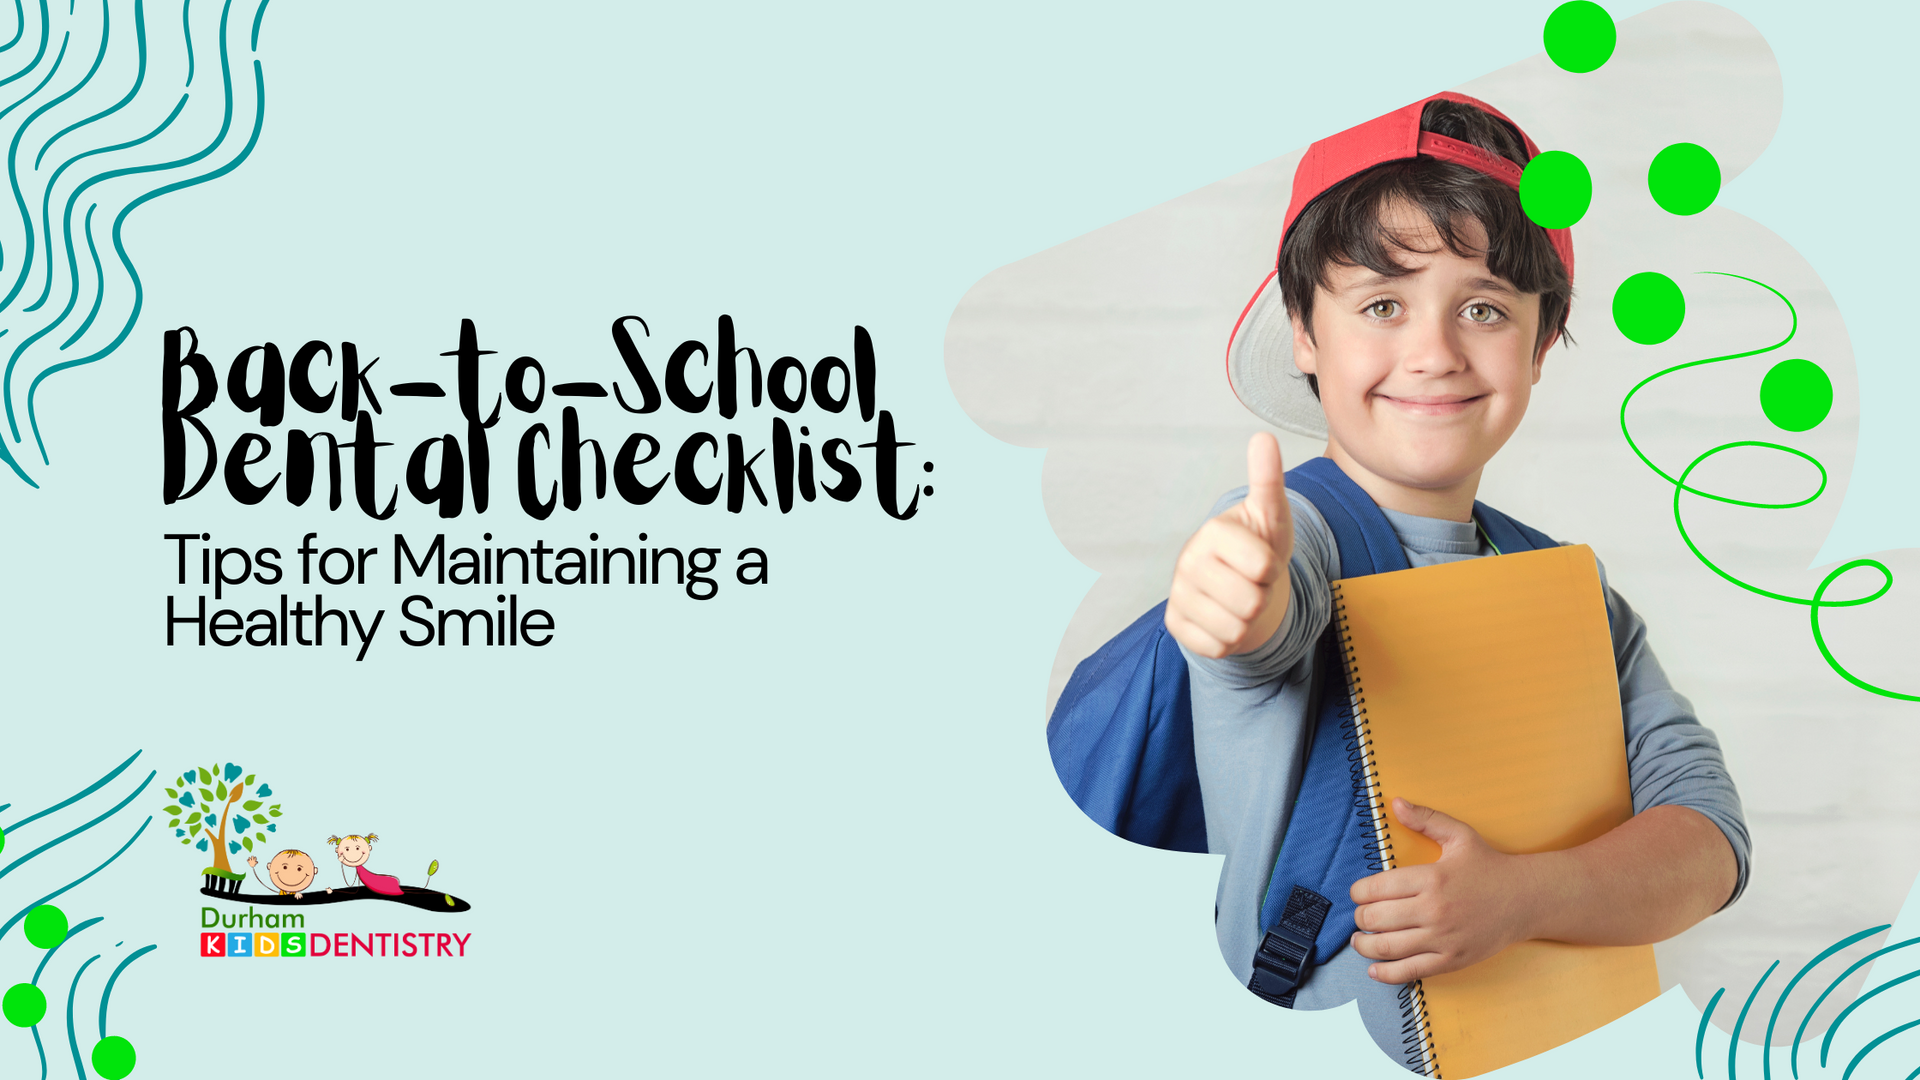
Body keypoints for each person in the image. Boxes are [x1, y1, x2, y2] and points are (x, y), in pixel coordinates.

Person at [1162, 91, 1749, 1066]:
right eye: (1381, 304)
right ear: (1305, 333)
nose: (1433, 352)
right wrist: (1236, 602)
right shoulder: (1291, 536)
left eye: (1483, 308)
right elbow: (1264, 618)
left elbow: (1710, 842)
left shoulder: (1571, 594)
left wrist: (1526, 897)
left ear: (1541, 343)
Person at [328, 832, 404, 895]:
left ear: (369, 848)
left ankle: (392, 885)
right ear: (337, 850)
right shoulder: (360, 871)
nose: (354, 853)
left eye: (357, 848)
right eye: (347, 849)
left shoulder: (362, 871)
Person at [247, 848, 318, 899]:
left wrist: (298, 895)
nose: (291, 875)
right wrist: (253, 867)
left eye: (299, 869)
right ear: (270, 866)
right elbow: (260, 880)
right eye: (285, 867)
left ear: (314, 871)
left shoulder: (296, 894)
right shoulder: (281, 892)